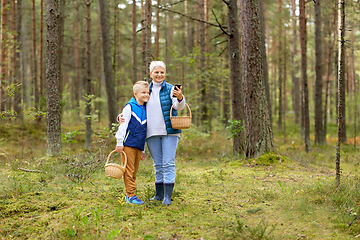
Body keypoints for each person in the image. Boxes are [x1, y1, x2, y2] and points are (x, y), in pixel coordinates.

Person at [118, 61, 185, 205]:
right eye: (156, 72)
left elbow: (179, 107)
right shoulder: (145, 90)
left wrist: (180, 97)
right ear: (151, 74)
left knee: (168, 163)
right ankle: (159, 195)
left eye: (162, 72)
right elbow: (133, 104)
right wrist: (120, 117)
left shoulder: (170, 89)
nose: (159, 75)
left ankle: (167, 197)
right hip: (151, 133)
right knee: (158, 164)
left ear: (165, 73)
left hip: (169, 132)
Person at [115, 80, 149, 205]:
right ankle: (130, 195)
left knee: (134, 171)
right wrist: (119, 142)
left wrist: (143, 150)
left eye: (147, 92)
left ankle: (131, 193)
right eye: (143, 92)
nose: (146, 95)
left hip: (138, 145)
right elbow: (123, 125)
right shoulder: (129, 107)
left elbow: (144, 130)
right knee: (128, 170)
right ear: (135, 94)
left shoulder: (145, 108)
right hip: (128, 144)